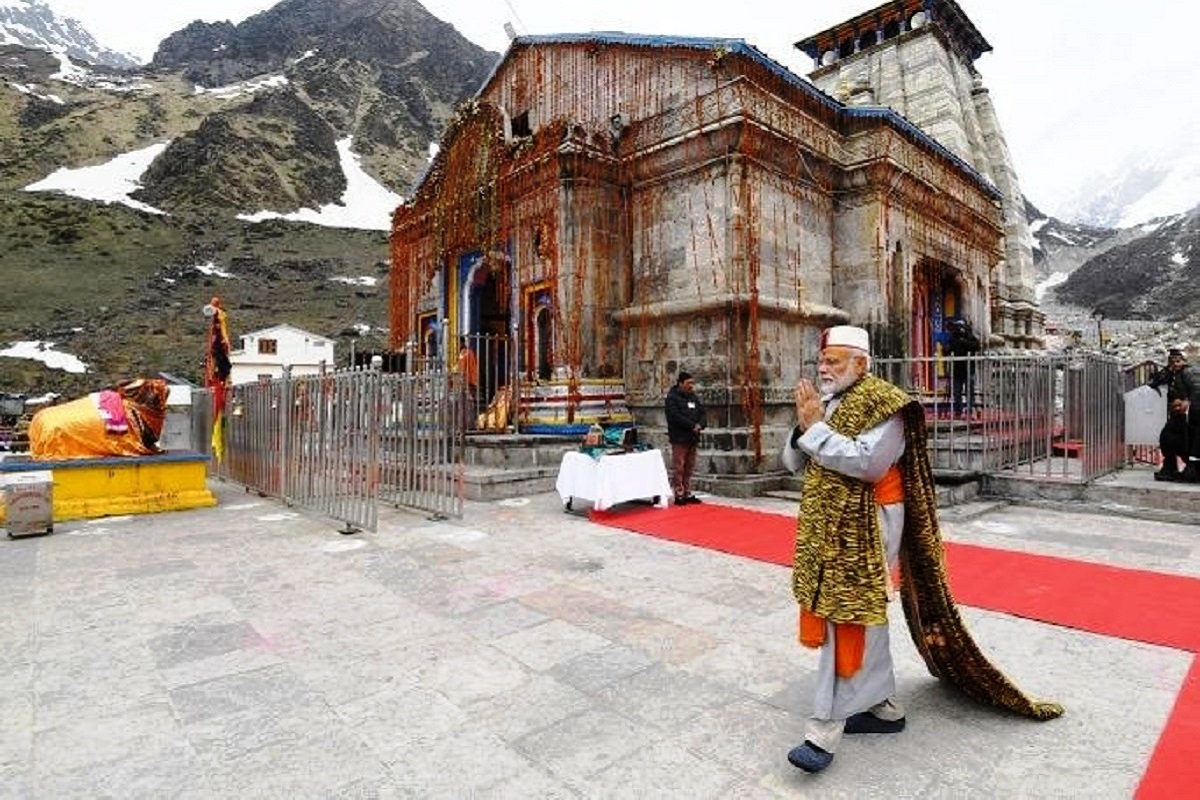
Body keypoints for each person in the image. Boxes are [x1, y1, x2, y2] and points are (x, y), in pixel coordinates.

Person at [780, 325, 1061, 774]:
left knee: (845, 615)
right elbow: (795, 460)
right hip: (826, 525)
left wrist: (814, 431)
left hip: (867, 523)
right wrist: (803, 429)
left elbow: (869, 464)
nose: (824, 368)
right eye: (823, 360)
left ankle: (823, 731)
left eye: (833, 360)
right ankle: (885, 708)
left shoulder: (888, 404)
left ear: (861, 363)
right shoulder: (828, 403)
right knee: (864, 614)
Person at [1147, 348, 1195, 481]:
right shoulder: (1170, 374)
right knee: (1168, 440)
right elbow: (1152, 383)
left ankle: (1191, 469)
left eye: (1178, 360)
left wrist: (1187, 402)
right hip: (1176, 415)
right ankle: (1171, 468)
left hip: (1188, 414)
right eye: (1172, 360)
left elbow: (1195, 389)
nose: (1175, 363)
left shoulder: (1188, 373)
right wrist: (1168, 369)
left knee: (1185, 443)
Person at [664, 371, 706, 504]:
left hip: (692, 437)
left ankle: (687, 492)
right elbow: (674, 416)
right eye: (688, 383)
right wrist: (691, 425)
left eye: (692, 383)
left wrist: (701, 425)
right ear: (680, 383)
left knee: (689, 466)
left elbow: (702, 412)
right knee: (679, 467)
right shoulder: (672, 398)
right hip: (679, 438)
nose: (691, 386)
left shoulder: (693, 397)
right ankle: (679, 493)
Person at [947, 317, 980, 417]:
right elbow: (949, 349)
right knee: (957, 392)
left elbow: (976, 346)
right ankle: (958, 411)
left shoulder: (970, 337)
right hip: (957, 369)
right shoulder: (954, 338)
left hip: (968, 368)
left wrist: (964, 342)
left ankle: (969, 410)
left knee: (969, 391)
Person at [458, 336, 479, 427]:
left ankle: (467, 423)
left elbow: (462, 369)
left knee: (467, 403)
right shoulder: (470, 352)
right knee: (470, 403)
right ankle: (471, 422)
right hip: (472, 380)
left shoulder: (464, 353)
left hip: (468, 381)